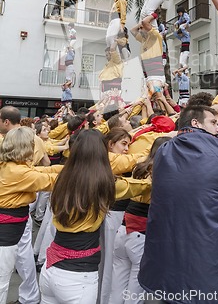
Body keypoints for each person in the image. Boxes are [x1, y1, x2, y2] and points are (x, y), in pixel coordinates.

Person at [138, 105, 218, 303]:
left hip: (167, 261)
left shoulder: (163, 151)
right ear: (196, 123)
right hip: (212, 260)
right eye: (213, 122)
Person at [39, 129, 153, 304]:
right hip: (78, 278)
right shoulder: (105, 184)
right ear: (103, 153)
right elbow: (138, 186)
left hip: (49, 270)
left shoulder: (61, 176)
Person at [0, 126, 62, 304]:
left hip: (14, 227)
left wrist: (70, 166)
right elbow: (49, 180)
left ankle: (30, 297)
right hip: (7, 233)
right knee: (2, 281)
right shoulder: (18, 172)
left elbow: (43, 171)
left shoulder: (11, 166)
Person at [110, 136, 172, 304]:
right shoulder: (161, 170)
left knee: (117, 287)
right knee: (134, 294)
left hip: (123, 229)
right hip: (141, 234)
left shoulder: (140, 166)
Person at [131, 14, 165, 96]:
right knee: (150, 99)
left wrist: (154, 14)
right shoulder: (143, 39)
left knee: (156, 95)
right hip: (148, 76)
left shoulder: (155, 36)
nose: (139, 30)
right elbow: (132, 30)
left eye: (141, 28)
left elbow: (145, 22)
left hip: (156, 76)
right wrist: (140, 25)